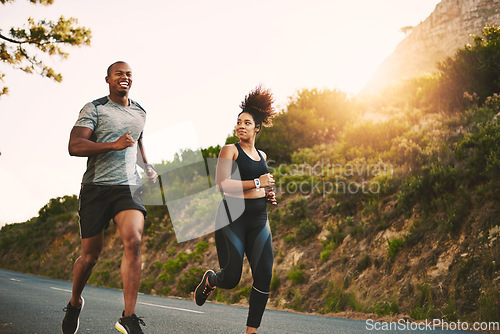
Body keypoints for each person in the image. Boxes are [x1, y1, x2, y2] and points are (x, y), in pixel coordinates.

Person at [62, 61, 157, 334]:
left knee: (134, 240)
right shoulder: (94, 108)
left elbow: (136, 143)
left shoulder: (140, 112)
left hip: (127, 187)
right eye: (119, 74)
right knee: (90, 257)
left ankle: (128, 317)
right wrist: (112, 145)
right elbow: (75, 145)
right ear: (108, 80)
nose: (124, 77)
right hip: (96, 188)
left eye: (128, 74)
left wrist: (146, 165)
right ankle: (74, 302)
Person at [194, 85, 278, 334]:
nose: (241, 126)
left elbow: (259, 187)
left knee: (263, 277)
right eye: (239, 122)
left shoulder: (261, 155)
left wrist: (267, 194)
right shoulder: (229, 150)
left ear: (257, 127)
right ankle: (211, 279)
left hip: (259, 220)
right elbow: (223, 184)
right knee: (231, 278)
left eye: (247, 122)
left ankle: (250, 332)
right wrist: (257, 183)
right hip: (232, 219)